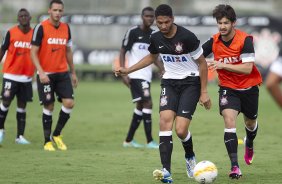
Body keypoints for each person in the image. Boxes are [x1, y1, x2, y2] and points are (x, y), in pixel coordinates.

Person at [116, 4, 211, 183]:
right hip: (169, 83)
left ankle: (189, 156)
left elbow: (203, 64)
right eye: (159, 23)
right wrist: (128, 70)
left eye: (166, 22)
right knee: (165, 124)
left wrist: (204, 92)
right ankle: (166, 171)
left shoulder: (187, 37)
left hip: (191, 83)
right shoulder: (155, 37)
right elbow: (151, 57)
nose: (163, 26)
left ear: (172, 19)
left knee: (181, 131)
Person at [202, 4, 262, 179]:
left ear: (233, 23)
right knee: (229, 121)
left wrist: (222, 64)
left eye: (226, 22)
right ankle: (235, 167)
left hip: (249, 88)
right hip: (228, 89)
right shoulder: (213, 41)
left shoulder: (245, 40)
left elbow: (248, 68)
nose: (222, 26)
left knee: (250, 123)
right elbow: (196, 56)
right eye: (219, 23)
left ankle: (249, 142)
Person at [30, 0, 78, 151]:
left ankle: (56, 134)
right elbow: (32, 52)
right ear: (49, 11)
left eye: (60, 10)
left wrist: (73, 72)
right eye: (55, 10)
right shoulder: (41, 27)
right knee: (49, 106)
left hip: (62, 72)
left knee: (69, 103)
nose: (58, 13)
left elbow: (68, 51)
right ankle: (47, 141)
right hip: (46, 74)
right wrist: (41, 72)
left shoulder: (66, 28)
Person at [119, 6, 163, 149]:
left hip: (146, 75)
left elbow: (153, 56)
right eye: (147, 16)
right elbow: (123, 51)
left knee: (140, 106)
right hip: (135, 74)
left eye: (152, 17)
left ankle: (128, 140)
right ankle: (150, 141)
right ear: (142, 17)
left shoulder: (154, 35)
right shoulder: (133, 32)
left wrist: (162, 68)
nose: (149, 19)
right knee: (148, 103)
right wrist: (123, 72)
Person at [0, 8, 35, 145]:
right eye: (21, 16)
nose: (24, 17)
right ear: (18, 18)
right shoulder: (11, 32)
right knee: (6, 102)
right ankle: (1, 130)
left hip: (26, 77)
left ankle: (19, 136)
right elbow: (2, 50)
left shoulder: (35, 34)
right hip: (10, 75)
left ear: (30, 17)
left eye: (26, 15)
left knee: (22, 106)